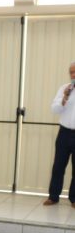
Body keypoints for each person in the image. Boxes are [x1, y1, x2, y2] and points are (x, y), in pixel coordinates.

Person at [43, 61, 75, 208]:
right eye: (71, 72)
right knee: (58, 166)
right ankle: (53, 197)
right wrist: (64, 98)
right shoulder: (64, 88)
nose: (73, 75)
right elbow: (54, 109)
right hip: (64, 133)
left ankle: (74, 199)